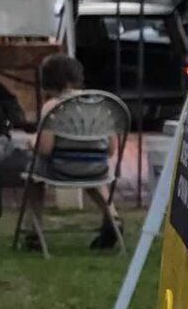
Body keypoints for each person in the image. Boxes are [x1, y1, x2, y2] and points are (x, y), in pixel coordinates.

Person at [19, 54, 124, 252]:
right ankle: (113, 216)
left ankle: (34, 230)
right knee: (92, 175)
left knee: (33, 175)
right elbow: (111, 150)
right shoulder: (102, 105)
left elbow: (45, 149)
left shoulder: (52, 107)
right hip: (97, 169)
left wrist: (32, 142)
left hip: (61, 169)